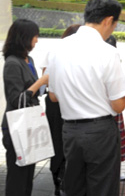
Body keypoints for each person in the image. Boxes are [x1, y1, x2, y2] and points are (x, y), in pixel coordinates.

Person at [47, 0, 125, 196]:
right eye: (115, 25)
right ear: (108, 20)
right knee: (102, 188)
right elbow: (118, 105)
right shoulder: (108, 52)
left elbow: (53, 97)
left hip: (69, 132)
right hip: (100, 131)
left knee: (75, 188)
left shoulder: (57, 48)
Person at [1, 19, 48, 196]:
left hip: (30, 124)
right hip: (16, 126)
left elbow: (34, 92)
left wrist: (44, 85)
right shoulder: (12, 63)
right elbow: (16, 99)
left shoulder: (28, 59)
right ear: (24, 37)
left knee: (28, 175)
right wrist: (40, 82)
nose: (37, 40)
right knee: (18, 176)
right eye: (35, 36)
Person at [40, 24, 81, 196]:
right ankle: (61, 178)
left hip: (55, 103)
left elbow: (46, 79)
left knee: (58, 140)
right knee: (63, 140)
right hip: (62, 102)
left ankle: (59, 178)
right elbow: (46, 79)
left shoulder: (55, 50)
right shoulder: (61, 52)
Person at [106, 34, 125, 181]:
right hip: (105, 111)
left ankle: (117, 170)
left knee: (116, 140)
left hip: (114, 109)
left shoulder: (115, 61)